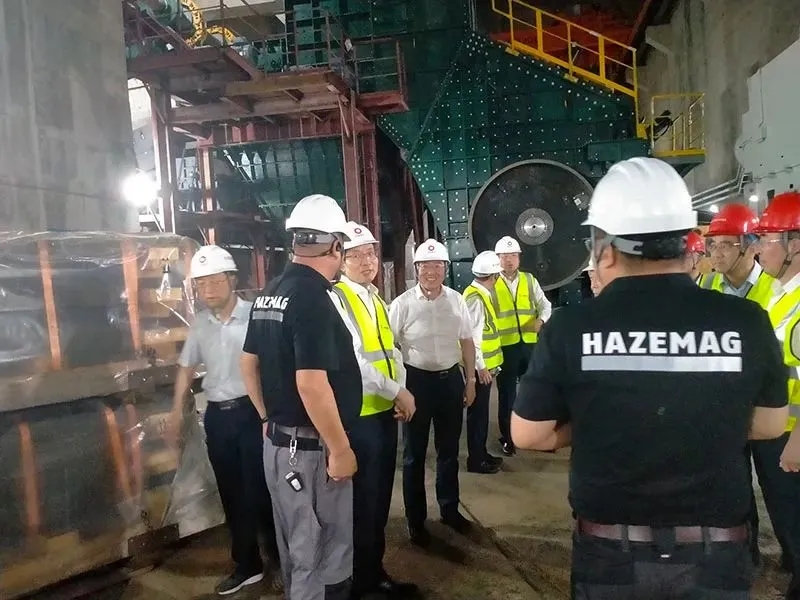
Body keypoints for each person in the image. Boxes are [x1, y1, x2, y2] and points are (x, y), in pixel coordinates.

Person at [511, 156, 789, 599]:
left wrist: (609, 418)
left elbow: (529, 434)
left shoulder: (571, 328)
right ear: (684, 241)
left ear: (604, 248)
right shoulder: (746, 320)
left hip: (611, 557)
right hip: (716, 556)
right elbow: (772, 424)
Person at [239, 194, 360, 600]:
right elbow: (311, 384)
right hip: (310, 451)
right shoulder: (312, 298)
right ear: (336, 246)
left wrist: (266, 418)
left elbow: (248, 363)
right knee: (320, 550)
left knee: (296, 543)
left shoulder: (271, 291)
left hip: (280, 444)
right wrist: (340, 449)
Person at [169, 245, 280, 596]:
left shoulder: (255, 316)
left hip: (253, 414)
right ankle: (248, 565)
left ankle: (279, 560)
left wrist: (270, 413)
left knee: (263, 491)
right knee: (232, 494)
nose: (208, 289)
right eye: (201, 284)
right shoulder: (200, 324)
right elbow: (186, 367)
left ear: (232, 280)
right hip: (218, 418)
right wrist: (176, 411)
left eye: (215, 281)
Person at [330, 221, 419, 599]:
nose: (367, 261)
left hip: (382, 413)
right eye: (356, 255)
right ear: (341, 260)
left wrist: (399, 391)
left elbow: (391, 351)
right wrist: (398, 391)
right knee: (361, 504)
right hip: (359, 417)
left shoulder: (375, 298)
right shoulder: (338, 299)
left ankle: (372, 572)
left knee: (379, 498)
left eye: (370, 253)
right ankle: (357, 581)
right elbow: (355, 363)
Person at [389, 239, 476, 547]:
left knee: (449, 451)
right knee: (414, 455)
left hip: (450, 380)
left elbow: (467, 341)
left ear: (445, 269)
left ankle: (450, 510)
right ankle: (416, 521)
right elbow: (390, 347)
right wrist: (398, 389)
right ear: (416, 269)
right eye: (425, 266)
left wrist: (470, 380)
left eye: (438, 265)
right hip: (416, 383)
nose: (431, 271)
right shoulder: (402, 304)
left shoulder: (457, 300)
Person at [752, 188, 800, 599]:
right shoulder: (777, 293)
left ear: (794, 245)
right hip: (775, 428)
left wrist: (798, 441)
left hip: (792, 435)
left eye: (767, 239)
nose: (759, 248)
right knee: (785, 515)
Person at [492, 235, 552, 456]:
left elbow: (545, 305)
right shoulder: (491, 282)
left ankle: (540, 436)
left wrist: (541, 320)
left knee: (536, 392)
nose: (509, 260)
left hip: (529, 346)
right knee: (507, 395)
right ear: (498, 258)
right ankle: (508, 439)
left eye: (513, 255)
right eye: (504, 256)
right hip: (505, 348)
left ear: (519, 258)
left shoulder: (529, 280)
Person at [462, 250, 505, 474]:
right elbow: (472, 339)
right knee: (478, 415)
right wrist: (481, 368)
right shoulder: (477, 300)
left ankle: (481, 453)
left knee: (481, 415)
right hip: (481, 369)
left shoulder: (478, 294)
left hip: (483, 367)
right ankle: (476, 460)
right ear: (494, 276)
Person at [698, 203, 774, 307]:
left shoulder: (776, 287)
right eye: (713, 245)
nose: (716, 254)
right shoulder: (705, 285)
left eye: (725, 246)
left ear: (754, 246)